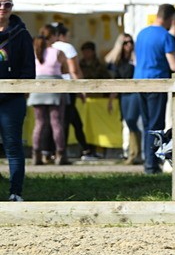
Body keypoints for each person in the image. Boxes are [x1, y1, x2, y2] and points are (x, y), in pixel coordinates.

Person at [134, 4, 175, 174]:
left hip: (139, 82)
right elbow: (174, 65)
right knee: (156, 125)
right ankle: (152, 165)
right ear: (171, 18)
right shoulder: (165, 36)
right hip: (157, 82)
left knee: (146, 123)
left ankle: (148, 161)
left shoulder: (141, 33)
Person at [0, 0, 35, 201]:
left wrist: (19, 91)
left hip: (12, 100)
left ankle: (15, 192)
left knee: (13, 146)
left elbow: (29, 70)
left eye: (7, 4)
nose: (3, 8)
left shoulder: (21, 34)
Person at [52, 23, 97, 160]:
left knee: (62, 121)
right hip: (68, 87)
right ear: (62, 35)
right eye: (68, 36)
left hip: (52, 87)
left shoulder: (49, 47)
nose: (69, 38)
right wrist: (81, 89)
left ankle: (83, 149)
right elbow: (74, 70)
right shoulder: (67, 47)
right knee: (66, 121)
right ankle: (62, 152)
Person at [29, 24, 69, 166]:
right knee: (56, 122)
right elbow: (65, 70)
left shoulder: (35, 51)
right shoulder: (58, 52)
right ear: (52, 36)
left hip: (38, 86)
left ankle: (36, 154)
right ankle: (60, 154)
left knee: (39, 123)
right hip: (54, 86)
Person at [104, 33, 142, 165]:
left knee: (131, 119)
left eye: (130, 42)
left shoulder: (135, 58)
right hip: (123, 94)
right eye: (125, 43)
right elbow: (108, 62)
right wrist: (111, 100)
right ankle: (134, 153)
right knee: (127, 121)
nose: (129, 45)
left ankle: (135, 153)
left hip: (135, 92)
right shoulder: (118, 61)